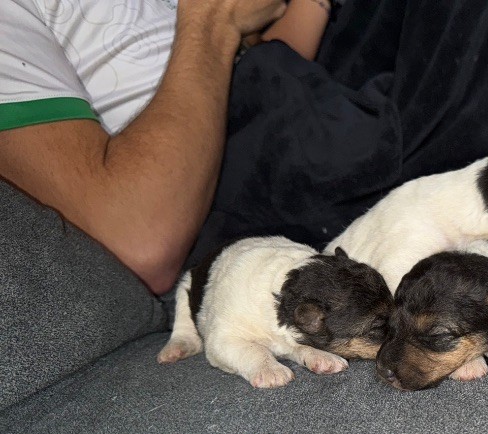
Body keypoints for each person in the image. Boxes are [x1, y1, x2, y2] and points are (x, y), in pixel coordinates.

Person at [0, 0, 334, 295]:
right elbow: (139, 241)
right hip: (244, 206)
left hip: (302, 113)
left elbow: (270, 71)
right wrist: (214, 19)